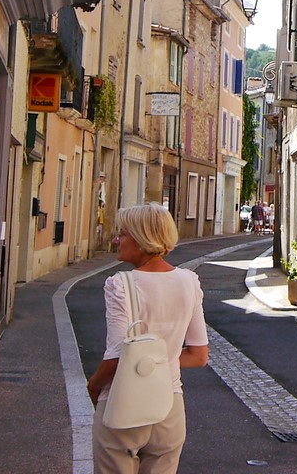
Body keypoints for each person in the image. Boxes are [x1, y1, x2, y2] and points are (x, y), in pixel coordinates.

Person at [86, 203, 209, 474]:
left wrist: (93, 386)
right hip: (169, 406)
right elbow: (199, 356)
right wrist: (159, 363)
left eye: (123, 234)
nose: (116, 240)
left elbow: (117, 357)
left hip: (123, 404)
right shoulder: (189, 282)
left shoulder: (120, 284)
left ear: (142, 240)